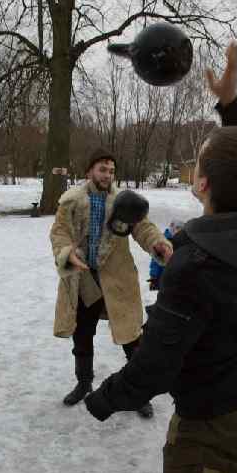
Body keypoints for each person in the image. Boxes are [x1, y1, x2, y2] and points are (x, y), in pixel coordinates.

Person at [84, 42, 237, 473]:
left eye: (198, 163)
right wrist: (231, 106)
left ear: (201, 186)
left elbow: (155, 366)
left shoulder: (194, 267)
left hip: (206, 422)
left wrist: (104, 399)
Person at [49, 148, 173, 419]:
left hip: (117, 278)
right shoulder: (71, 201)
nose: (107, 175)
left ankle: (139, 392)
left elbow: (143, 227)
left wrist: (158, 244)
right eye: (102, 169)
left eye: (111, 171)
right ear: (89, 172)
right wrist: (67, 253)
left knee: (132, 338)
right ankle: (84, 383)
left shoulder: (123, 201)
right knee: (82, 335)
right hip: (84, 279)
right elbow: (59, 233)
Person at [148, 219, 185, 291]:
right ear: (172, 227)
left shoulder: (182, 242)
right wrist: (154, 276)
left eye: (181, 229)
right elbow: (155, 261)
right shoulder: (162, 242)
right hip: (164, 278)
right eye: (177, 228)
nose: (178, 231)